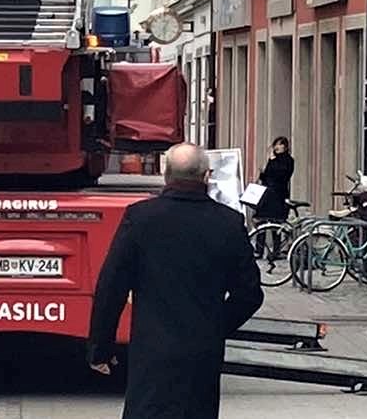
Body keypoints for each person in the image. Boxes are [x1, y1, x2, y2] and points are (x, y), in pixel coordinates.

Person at [88, 143, 264, 419]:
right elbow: (250, 294)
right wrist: (215, 327)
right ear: (206, 176)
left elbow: (111, 286)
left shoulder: (141, 217)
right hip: (201, 354)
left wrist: (100, 348)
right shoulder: (227, 222)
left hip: (151, 351)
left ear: (165, 174)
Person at [254, 136, 296, 222]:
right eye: (275, 145)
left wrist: (273, 161)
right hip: (267, 195)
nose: (276, 147)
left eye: (279, 144)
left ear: (285, 147)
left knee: (276, 223)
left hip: (278, 196)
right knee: (262, 222)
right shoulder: (273, 159)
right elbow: (267, 175)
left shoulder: (288, 160)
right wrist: (261, 174)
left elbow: (282, 175)